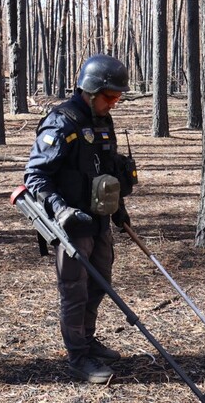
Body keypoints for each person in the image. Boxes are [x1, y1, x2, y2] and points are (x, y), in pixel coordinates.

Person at [24, 54, 137, 384]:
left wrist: (120, 208)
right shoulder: (62, 121)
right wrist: (60, 209)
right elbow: (35, 175)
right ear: (90, 90)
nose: (114, 103)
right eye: (110, 97)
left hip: (100, 220)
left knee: (100, 284)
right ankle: (78, 357)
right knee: (74, 291)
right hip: (72, 225)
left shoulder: (103, 121)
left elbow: (107, 167)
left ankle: (88, 340)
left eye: (118, 97)